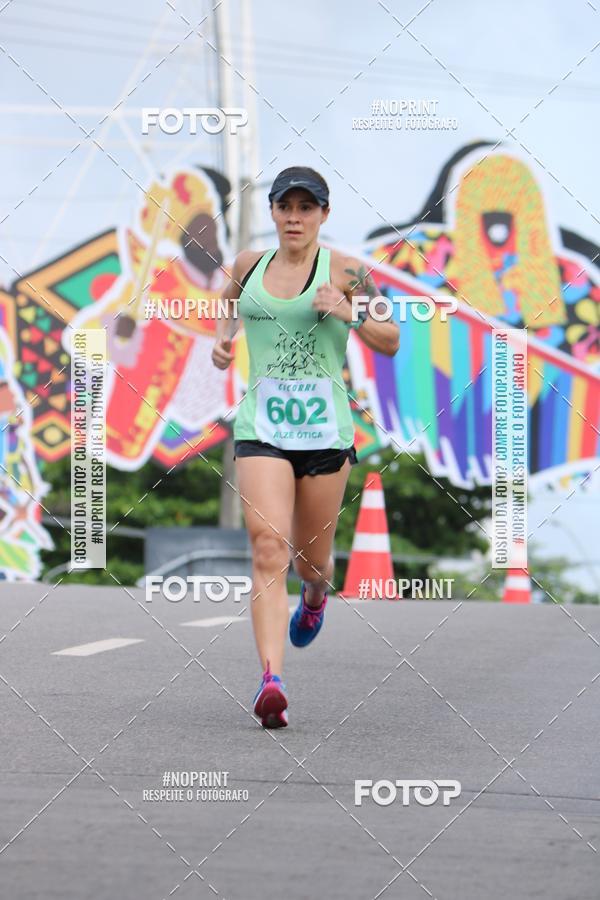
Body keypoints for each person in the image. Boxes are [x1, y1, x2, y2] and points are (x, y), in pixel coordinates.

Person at [211, 166, 399, 728]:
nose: (295, 217)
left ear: (323, 214)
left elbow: (391, 341)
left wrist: (351, 312)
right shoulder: (250, 266)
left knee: (308, 561)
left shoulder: (349, 270)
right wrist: (224, 343)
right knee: (267, 548)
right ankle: (271, 680)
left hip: (324, 435)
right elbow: (225, 301)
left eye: (306, 208)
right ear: (272, 212)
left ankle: (316, 595)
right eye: (285, 207)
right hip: (262, 429)